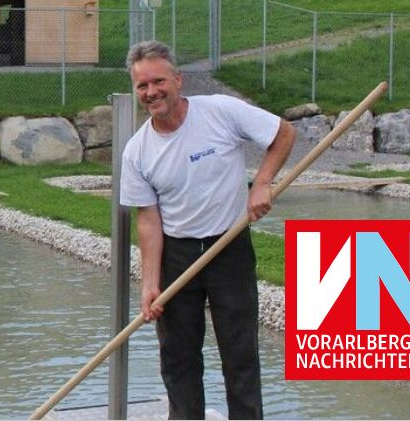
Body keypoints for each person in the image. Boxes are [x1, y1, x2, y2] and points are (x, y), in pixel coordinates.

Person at [119, 41, 295, 420]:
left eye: (158, 81)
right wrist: (150, 283)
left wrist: (262, 182)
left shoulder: (220, 111)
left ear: (178, 80)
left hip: (229, 246)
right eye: (142, 85)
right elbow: (148, 219)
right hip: (177, 256)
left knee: (240, 353)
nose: (151, 92)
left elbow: (283, 133)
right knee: (178, 358)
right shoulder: (137, 151)